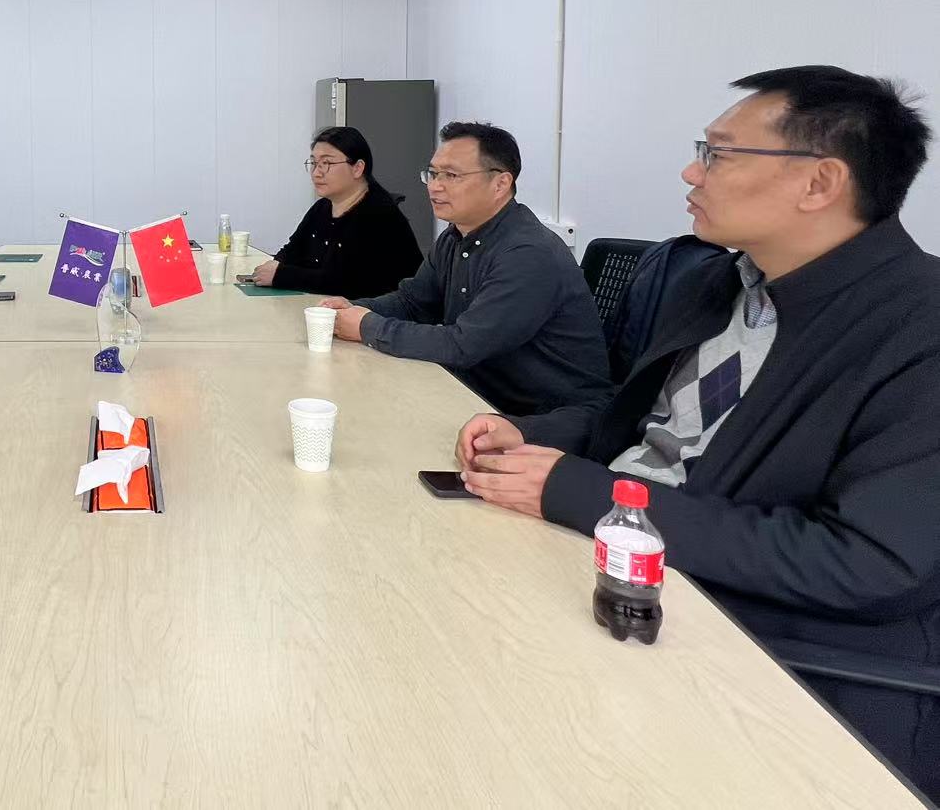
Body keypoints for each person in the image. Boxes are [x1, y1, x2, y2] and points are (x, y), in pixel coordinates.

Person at [456, 67, 939, 800]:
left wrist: (584, 494)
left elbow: (870, 566)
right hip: (611, 576)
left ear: (819, 183)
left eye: (718, 154)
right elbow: (634, 423)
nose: (691, 172)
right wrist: (524, 433)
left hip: (759, 666)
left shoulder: (917, 330)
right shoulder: (719, 285)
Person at [320, 121, 609, 414]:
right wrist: (354, 309)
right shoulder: (455, 236)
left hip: (541, 415)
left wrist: (366, 325)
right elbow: (413, 302)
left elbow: (464, 345)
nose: (435, 186)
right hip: (473, 390)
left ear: (500, 184)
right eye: (433, 174)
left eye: (452, 175)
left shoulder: (528, 253)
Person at [251, 126, 422, 298]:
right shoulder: (322, 207)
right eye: (314, 163)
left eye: (326, 163)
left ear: (357, 168)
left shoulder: (379, 215)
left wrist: (282, 275)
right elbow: (293, 250)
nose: (316, 173)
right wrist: (274, 266)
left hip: (379, 311)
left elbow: (350, 283)